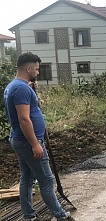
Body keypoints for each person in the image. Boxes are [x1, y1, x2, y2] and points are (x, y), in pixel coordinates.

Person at [4, 52, 72, 221]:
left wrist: (31, 90)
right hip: (28, 141)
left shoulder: (15, 86)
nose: (38, 72)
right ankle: (60, 215)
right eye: (36, 69)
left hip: (20, 139)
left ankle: (29, 216)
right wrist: (35, 144)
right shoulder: (20, 89)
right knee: (47, 180)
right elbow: (24, 118)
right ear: (28, 68)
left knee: (27, 178)